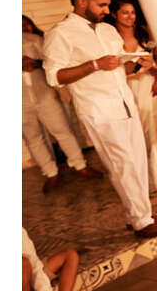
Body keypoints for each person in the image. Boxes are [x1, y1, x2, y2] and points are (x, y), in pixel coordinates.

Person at [42, 0, 157, 238]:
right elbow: (54, 76)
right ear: (81, 1)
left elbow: (117, 69)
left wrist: (137, 65)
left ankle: (138, 213)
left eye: (108, 5)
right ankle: (141, 221)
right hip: (98, 109)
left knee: (136, 161)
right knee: (122, 164)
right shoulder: (61, 33)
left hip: (125, 104)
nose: (106, 9)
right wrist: (95, 65)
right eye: (101, 5)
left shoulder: (108, 31)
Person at [104, 0, 157, 192]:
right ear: (114, 14)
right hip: (128, 87)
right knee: (138, 131)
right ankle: (150, 178)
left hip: (148, 83)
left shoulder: (145, 34)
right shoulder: (110, 38)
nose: (130, 16)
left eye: (132, 12)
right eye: (125, 12)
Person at [22, 15, 101, 193]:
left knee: (63, 131)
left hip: (44, 95)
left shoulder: (36, 40)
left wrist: (36, 63)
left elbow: (54, 63)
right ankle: (50, 173)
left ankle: (80, 166)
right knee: (33, 138)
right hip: (20, 102)